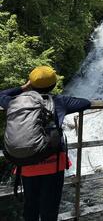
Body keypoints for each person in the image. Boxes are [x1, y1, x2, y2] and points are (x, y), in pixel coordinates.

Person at [1, 66, 91, 221]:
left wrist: (23, 87)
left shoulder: (15, 102)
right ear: (53, 85)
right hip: (53, 164)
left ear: (31, 83)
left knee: (30, 207)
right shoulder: (60, 101)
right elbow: (86, 103)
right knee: (49, 209)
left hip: (27, 162)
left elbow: (1, 94)